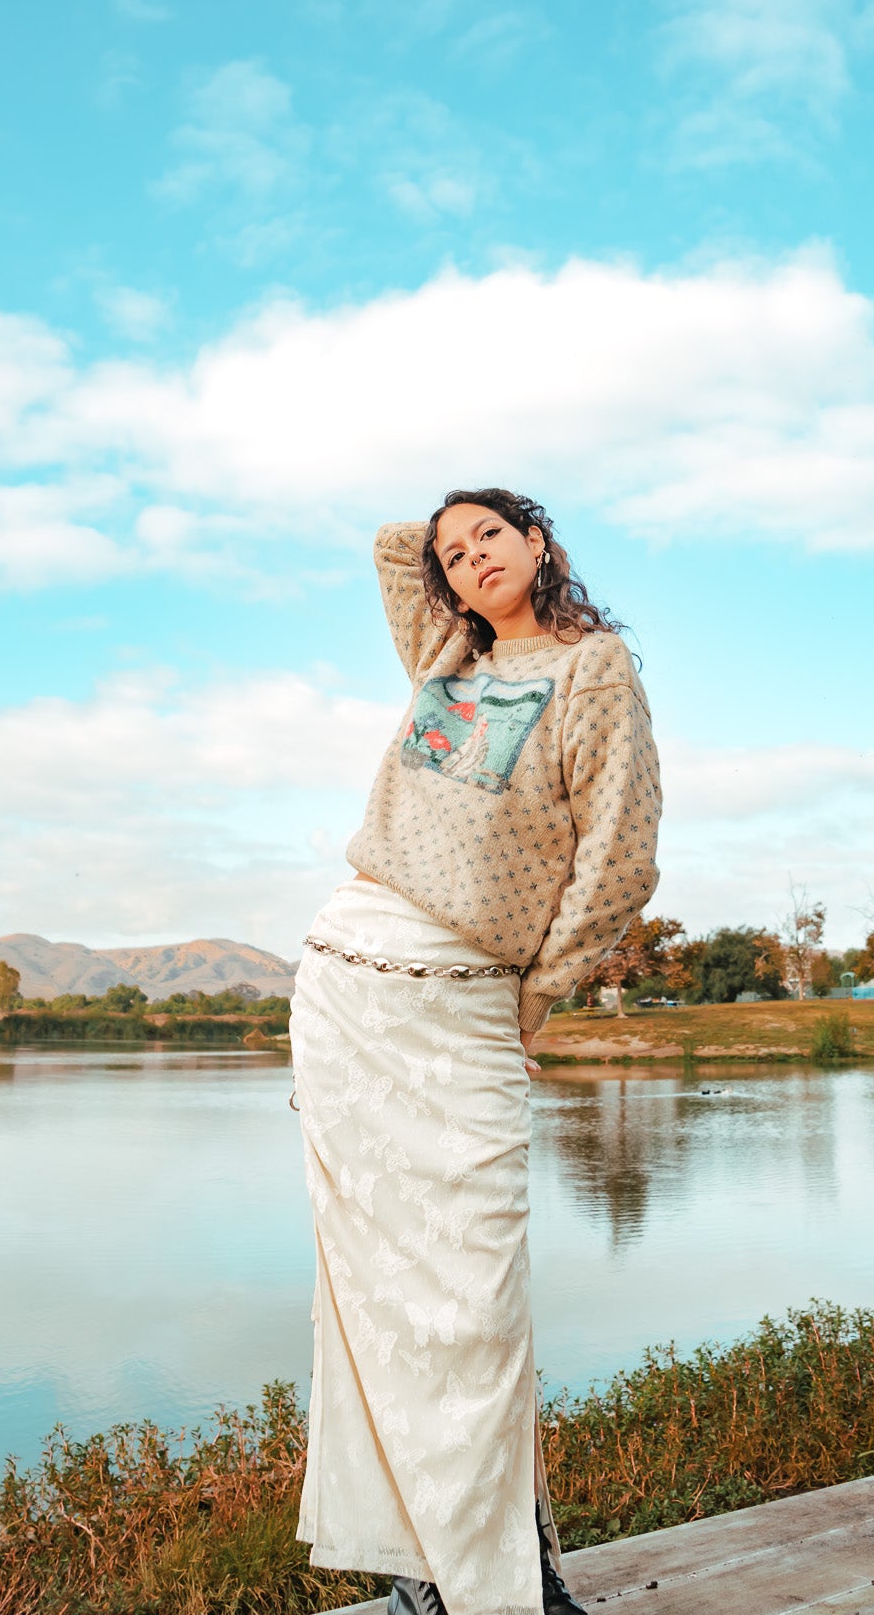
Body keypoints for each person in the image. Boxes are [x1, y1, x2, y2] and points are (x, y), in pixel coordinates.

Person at [289, 489, 662, 1615]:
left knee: (477, 1299)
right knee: (376, 1297)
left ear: (541, 539)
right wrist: (455, 558)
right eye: (454, 552)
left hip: (470, 996)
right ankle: (441, 1575)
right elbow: (390, 547)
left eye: (491, 533)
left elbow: (620, 853)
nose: (463, 557)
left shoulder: (596, 673)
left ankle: (501, 1576)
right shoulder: (444, 647)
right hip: (350, 978)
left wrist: (543, 995)